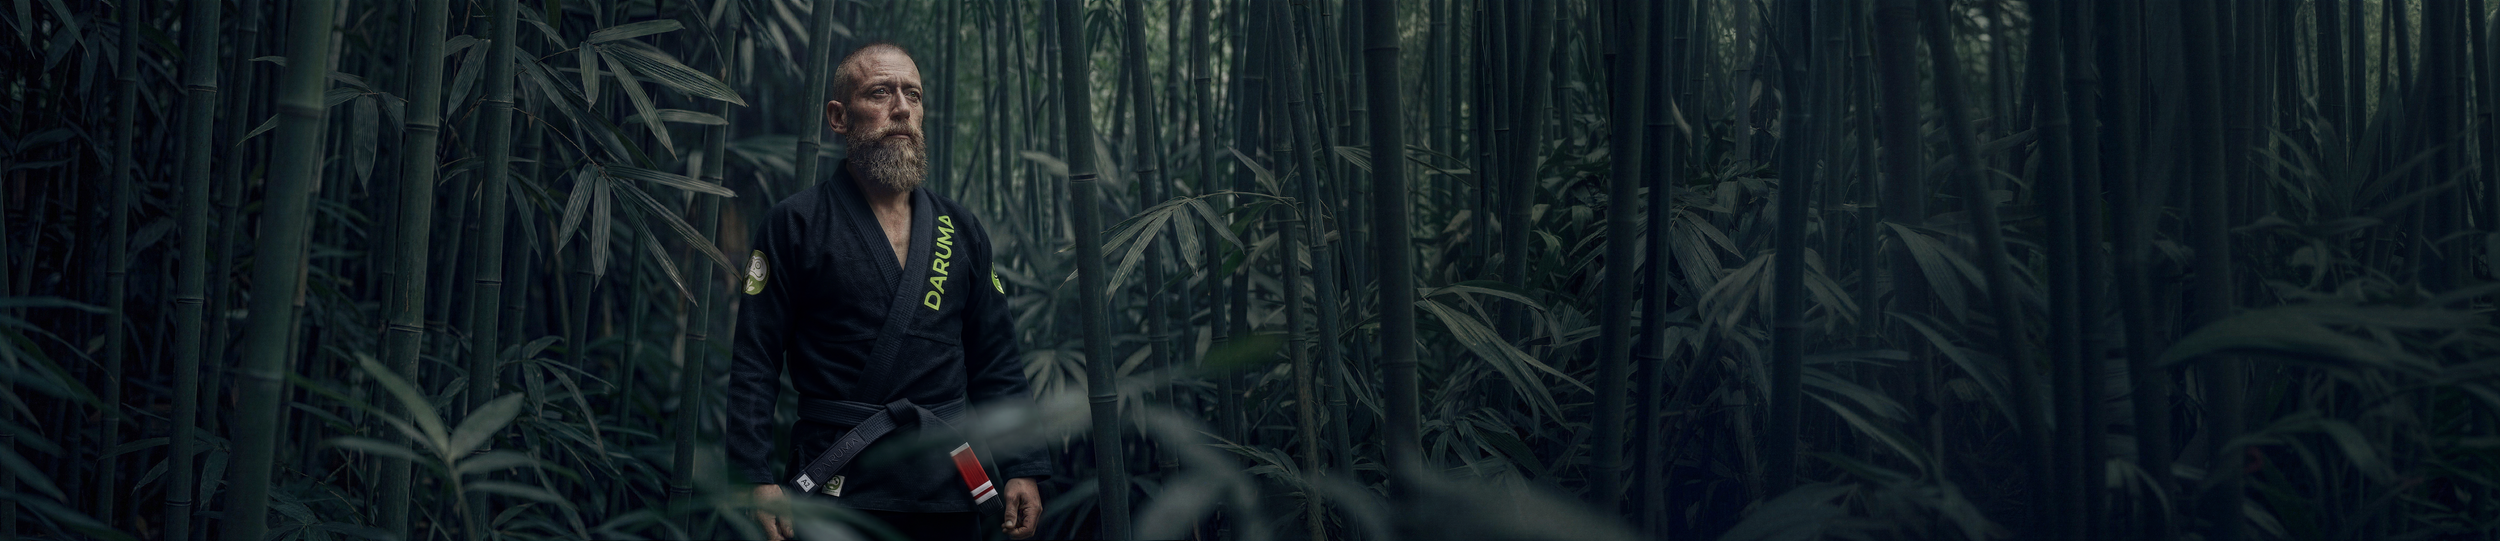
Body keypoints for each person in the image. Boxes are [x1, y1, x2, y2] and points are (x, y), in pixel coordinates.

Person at [731, 41, 1047, 541]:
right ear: (839, 117)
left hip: (947, 481)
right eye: (880, 93)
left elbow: (997, 361)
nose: (902, 108)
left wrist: (1022, 465)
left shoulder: (960, 229)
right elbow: (755, 360)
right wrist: (753, 475)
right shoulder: (795, 224)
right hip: (836, 481)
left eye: (913, 95)